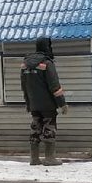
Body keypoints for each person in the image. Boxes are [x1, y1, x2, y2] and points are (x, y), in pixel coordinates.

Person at [21, 36, 68, 166]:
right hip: (48, 104)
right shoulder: (47, 63)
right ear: (47, 46)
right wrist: (62, 103)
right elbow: (55, 86)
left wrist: (28, 103)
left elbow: (24, 86)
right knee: (49, 127)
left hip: (34, 104)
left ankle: (34, 158)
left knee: (35, 127)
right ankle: (49, 158)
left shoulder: (25, 64)